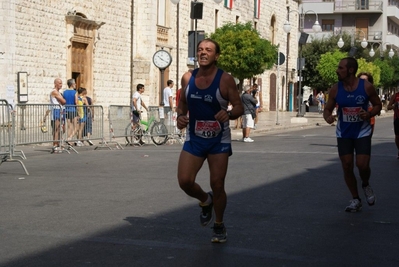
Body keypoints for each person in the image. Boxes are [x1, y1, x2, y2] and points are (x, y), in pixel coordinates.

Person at [176, 38, 243, 243]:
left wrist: (229, 114)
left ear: (216, 55)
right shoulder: (187, 78)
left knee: (217, 183)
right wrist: (180, 117)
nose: (203, 53)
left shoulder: (225, 80)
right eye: (200, 49)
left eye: (208, 50)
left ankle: (219, 225)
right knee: (185, 181)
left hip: (218, 141)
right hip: (195, 138)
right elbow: (182, 104)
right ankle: (206, 201)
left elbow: (239, 106)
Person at [323, 57, 382, 213]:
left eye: (340, 68)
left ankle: (365, 183)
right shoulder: (336, 89)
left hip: (362, 130)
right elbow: (327, 109)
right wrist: (328, 117)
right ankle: (356, 198)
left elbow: (378, 105)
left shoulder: (366, 87)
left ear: (350, 70)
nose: (337, 70)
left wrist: (369, 114)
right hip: (344, 132)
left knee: (362, 165)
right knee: (347, 165)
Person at [357, 72, 376, 137]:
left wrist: (371, 112)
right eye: (360, 80)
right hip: (356, 121)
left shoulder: (372, 93)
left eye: (365, 80)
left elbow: (378, 105)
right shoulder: (353, 92)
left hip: (369, 120)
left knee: (366, 141)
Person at [49, 78, 66, 152]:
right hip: (56, 110)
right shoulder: (54, 92)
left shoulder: (59, 93)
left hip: (61, 110)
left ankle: (58, 143)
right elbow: (63, 101)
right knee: (56, 128)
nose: (61, 85)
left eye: (61, 83)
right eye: (59, 83)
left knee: (61, 128)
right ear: (55, 84)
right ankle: (55, 145)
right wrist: (62, 100)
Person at [63, 79, 78, 144]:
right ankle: (70, 137)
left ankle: (69, 140)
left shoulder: (64, 92)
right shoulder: (75, 92)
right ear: (72, 84)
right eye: (75, 83)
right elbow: (76, 102)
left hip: (66, 109)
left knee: (69, 126)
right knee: (76, 126)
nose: (75, 85)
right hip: (73, 110)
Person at [387, 90, 399, 158]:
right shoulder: (395, 95)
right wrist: (394, 106)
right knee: (397, 137)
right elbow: (388, 107)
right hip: (397, 118)